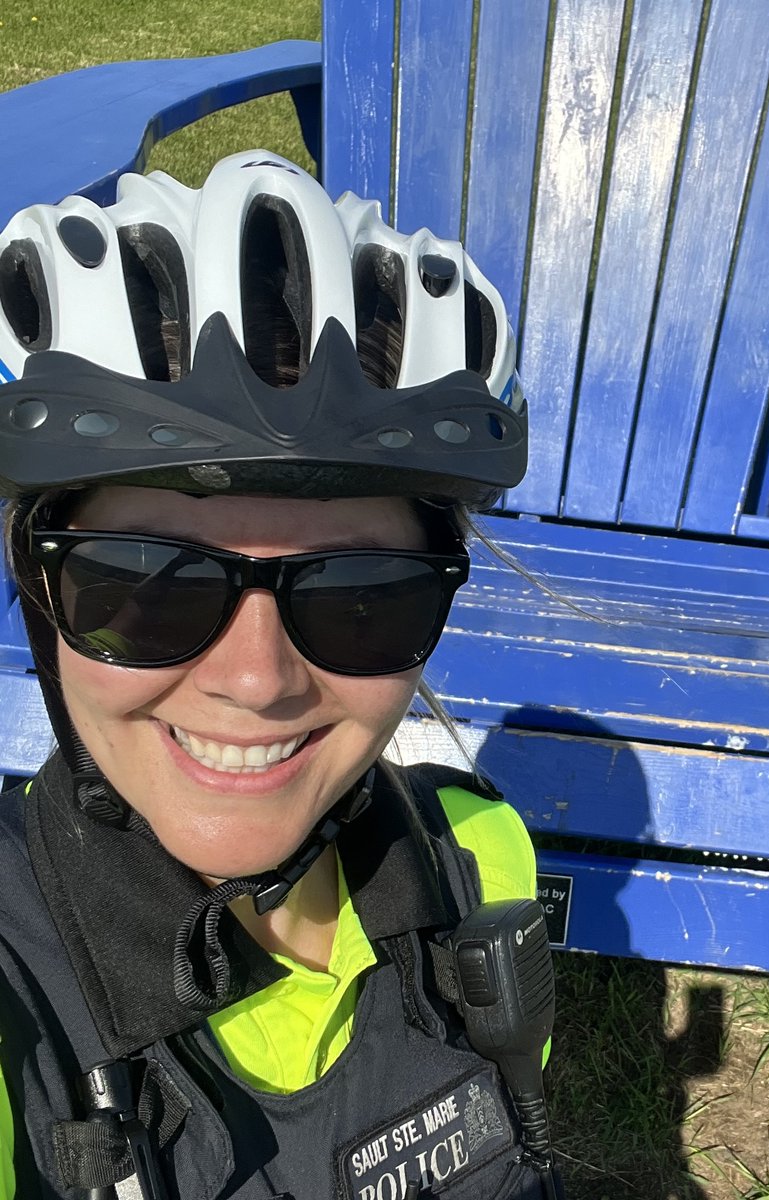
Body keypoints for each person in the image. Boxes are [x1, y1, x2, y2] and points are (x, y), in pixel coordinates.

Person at [0, 150, 550, 1199]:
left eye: (360, 592)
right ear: (38, 590)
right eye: (149, 584)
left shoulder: (479, 861)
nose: (257, 679)